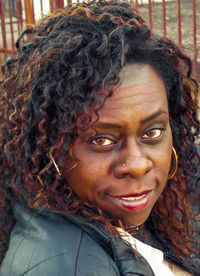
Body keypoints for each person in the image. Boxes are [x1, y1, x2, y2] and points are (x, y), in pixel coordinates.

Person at [0, 1, 199, 275]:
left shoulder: (137, 212)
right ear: (51, 148)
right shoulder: (67, 266)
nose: (138, 164)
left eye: (152, 132)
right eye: (102, 140)